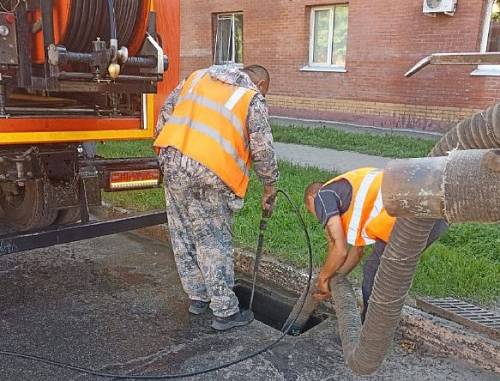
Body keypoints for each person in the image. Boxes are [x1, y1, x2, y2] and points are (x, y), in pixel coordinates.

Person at [154, 65, 279, 331]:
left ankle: (198, 297)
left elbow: (164, 115)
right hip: (211, 173)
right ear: (263, 83)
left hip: (173, 161)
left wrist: (166, 160)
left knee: (183, 234)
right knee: (213, 241)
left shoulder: (197, 78)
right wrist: (270, 185)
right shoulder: (250, 95)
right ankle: (225, 310)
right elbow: (262, 149)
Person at [304, 167, 447, 321]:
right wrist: (336, 278)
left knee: (374, 272)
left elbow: (340, 250)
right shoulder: (349, 194)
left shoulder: (323, 196)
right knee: (389, 273)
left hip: (406, 209)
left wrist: (323, 278)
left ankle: (371, 329)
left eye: (310, 210)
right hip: (436, 213)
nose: (318, 217)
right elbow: (356, 252)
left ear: (311, 199)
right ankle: (382, 322)